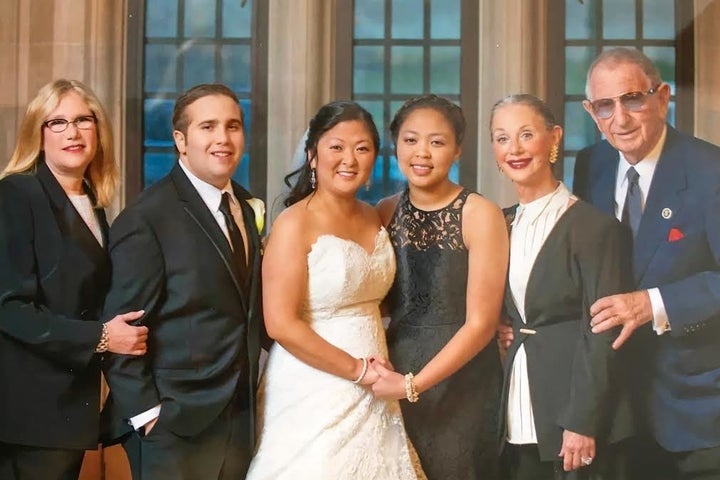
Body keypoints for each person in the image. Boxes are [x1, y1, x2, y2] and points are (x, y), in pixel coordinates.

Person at [246, 101, 425, 479]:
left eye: (362, 149)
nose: (350, 159)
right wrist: (358, 371)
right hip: (315, 381)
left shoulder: (373, 214)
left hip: (378, 380)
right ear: (313, 156)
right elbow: (280, 323)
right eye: (336, 147)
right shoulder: (294, 223)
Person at [100, 83, 265, 480]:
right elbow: (122, 328)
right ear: (180, 139)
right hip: (174, 427)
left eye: (233, 126)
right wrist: (149, 417)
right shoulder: (147, 217)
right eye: (208, 126)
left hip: (238, 418)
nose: (223, 138)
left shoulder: (244, 206)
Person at [574, 47, 720, 480]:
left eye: (633, 98)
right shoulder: (591, 165)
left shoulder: (711, 171)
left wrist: (652, 304)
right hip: (614, 411)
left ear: (663, 97)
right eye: (605, 106)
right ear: (591, 112)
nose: (621, 119)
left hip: (695, 408)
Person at [0, 79, 148, 480]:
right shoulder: (17, 195)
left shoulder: (93, 203)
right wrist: (102, 337)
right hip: (28, 411)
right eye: (58, 122)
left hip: (68, 408)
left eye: (84, 120)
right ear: (38, 133)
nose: (73, 132)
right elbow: (8, 309)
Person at [491, 94, 635, 480]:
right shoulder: (498, 224)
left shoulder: (593, 227)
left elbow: (603, 331)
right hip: (517, 407)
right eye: (502, 138)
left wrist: (582, 422)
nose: (514, 149)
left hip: (573, 414)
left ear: (554, 138)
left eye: (526, 135)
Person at [373, 94, 508, 480]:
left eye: (437, 142)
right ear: (396, 144)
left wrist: (412, 385)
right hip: (395, 369)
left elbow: (481, 324)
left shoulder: (481, 214)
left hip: (462, 380)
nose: (422, 153)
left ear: (458, 149)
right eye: (411, 140)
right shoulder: (383, 211)